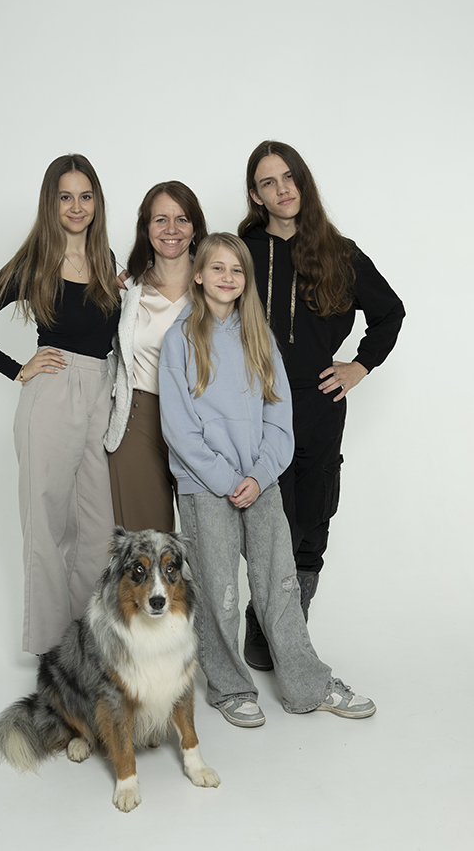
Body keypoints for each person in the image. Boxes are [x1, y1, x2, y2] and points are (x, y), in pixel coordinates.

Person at [158, 232, 376, 726]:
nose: (228, 277)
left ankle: (307, 685)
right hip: (205, 487)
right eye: (217, 268)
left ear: (247, 280)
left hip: (260, 483)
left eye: (237, 270)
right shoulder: (179, 339)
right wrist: (224, 478)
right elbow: (179, 428)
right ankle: (230, 687)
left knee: (279, 586)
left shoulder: (260, 338)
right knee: (219, 592)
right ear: (198, 275)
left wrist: (258, 476)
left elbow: (280, 420)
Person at [238, 141, 405, 669]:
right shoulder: (241, 251)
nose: (282, 189)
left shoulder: (339, 252)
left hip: (318, 404)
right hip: (257, 404)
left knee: (312, 517)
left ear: (303, 182)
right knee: (270, 518)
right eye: (268, 182)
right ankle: (262, 616)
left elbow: (390, 312)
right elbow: (192, 294)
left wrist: (359, 366)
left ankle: (293, 620)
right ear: (255, 195)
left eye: (289, 177)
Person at [0, 154, 120, 655]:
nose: (76, 206)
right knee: (47, 524)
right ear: (50, 202)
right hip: (52, 394)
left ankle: (91, 638)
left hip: (102, 392)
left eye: (85, 196)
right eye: (65, 197)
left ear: (97, 202)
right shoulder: (34, 264)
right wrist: (16, 368)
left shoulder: (107, 261)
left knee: (98, 527)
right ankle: (51, 646)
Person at [105, 181, 208, 531]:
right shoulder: (128, 290)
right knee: (145, 546)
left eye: (182, 219)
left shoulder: (217, 285)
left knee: (208, 544)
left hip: (202, 423)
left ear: (195, 227)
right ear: (146, 228)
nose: (171, 229)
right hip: (140, 420)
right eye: (160, 219)